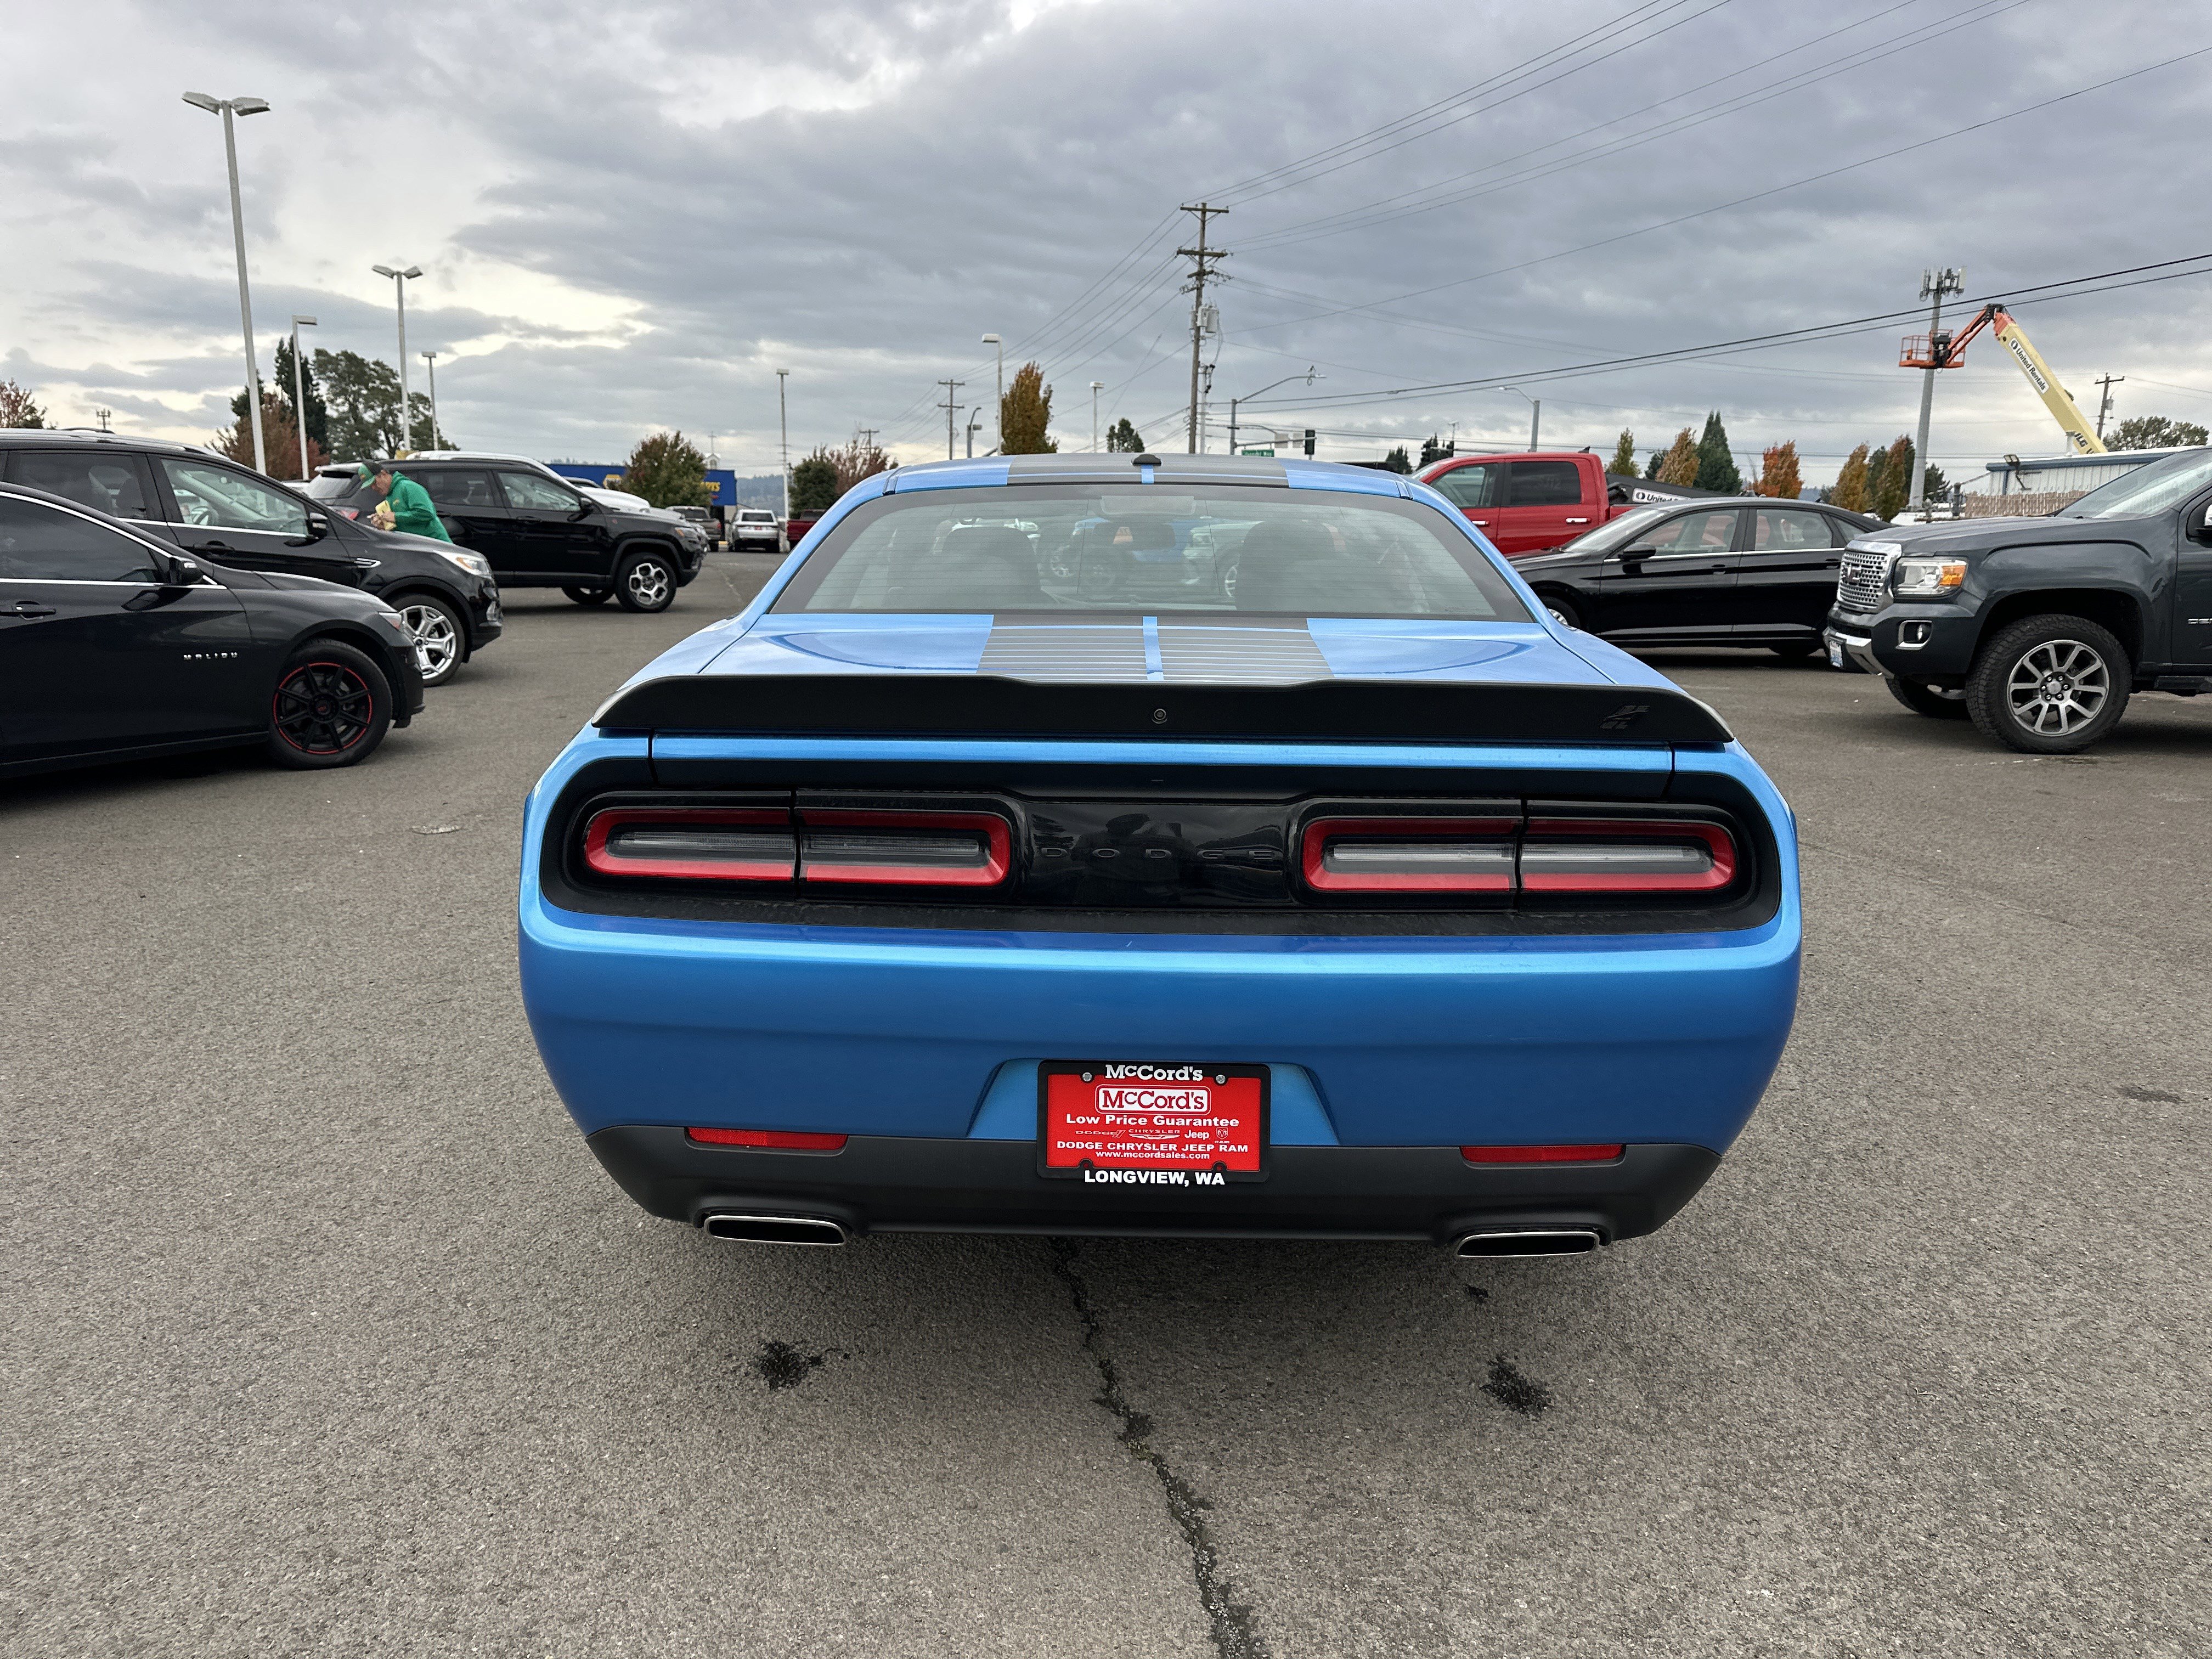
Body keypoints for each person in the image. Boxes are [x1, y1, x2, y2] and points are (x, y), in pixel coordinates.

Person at [359, 461, 452, 542]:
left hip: (437, 546)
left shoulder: (407, 487)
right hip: (420, 548)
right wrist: (384, 526)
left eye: (374, 483)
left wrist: (396, 517)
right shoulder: (390, 496)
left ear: (383, 473)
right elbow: (404, 525)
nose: (374, 488)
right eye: (370, 486)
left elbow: (427, 513)